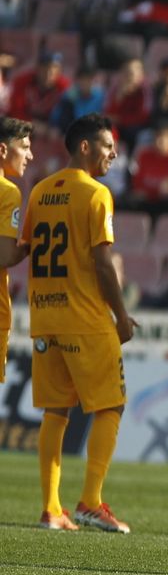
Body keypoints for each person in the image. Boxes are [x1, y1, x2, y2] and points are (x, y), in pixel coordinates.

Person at [22, 114, 138, 533]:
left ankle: (51, 509)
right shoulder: (95, 194)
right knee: (110, 405)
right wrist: (121, 317)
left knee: (56, 411)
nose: (114, 154)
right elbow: (103, 264)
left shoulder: (40, 190)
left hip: (45, 317)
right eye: (108, 146)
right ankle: (90, 501)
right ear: (85, 147)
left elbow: (26, 248)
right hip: (85, 318)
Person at [0, 118, 32, 390]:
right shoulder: (7, 192)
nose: (30, 156)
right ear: (2, 150)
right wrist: (34, 240)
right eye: (24, 147)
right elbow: (5, 256)